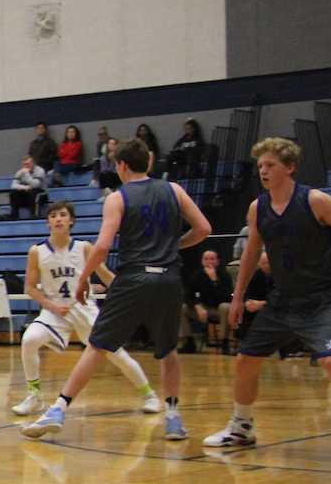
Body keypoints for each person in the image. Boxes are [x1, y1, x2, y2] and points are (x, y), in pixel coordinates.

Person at [22, 138, 211, 441]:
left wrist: (83, 279)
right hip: (168, 278)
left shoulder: (118, 198)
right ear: (148, 162)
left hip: (134, 278)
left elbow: (103, 245)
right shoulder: (174, 190)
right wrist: (174, 245)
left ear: (121, 165)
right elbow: (203, 229)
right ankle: (173, 418)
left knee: (98, 346)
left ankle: (58, 408)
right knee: (168, 351)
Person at [204, 138, 331, 449]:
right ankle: (241, 428)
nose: (263, 171)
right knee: (245, 361)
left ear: (289, 168)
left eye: (270, 165)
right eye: (260, 165)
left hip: (323, 299)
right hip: (284, 300)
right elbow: (251, 252)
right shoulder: (257, 208)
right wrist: (237, 297)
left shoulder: (315, 201)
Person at [12, 202, 161, 417]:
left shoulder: (84, 248)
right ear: (48, 222)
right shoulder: (37, 251)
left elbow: (105, 274)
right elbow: (30, 288)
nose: (58, 219)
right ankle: (34, 396)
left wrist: (131, 292)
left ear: (71, 221)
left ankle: (150, 395)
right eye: (53, 216)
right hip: (54, 311)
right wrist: (51, 305)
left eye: (63, 215)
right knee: (29, 340)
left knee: (116, 354)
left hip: (84, 309)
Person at [184, 249, 233, 354]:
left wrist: (214, 280)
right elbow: (188, 295)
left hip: (219, 310)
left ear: (217, 261)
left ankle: (225, 343)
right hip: (203, 310)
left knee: (225, 306)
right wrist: (198, 306)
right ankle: (189, 342)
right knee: (182, 308)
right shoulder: (197, 275)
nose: (209, 261)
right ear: (202, 261)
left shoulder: (224, 275)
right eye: (206, 259)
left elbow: (227, 297)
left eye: (212, 259)